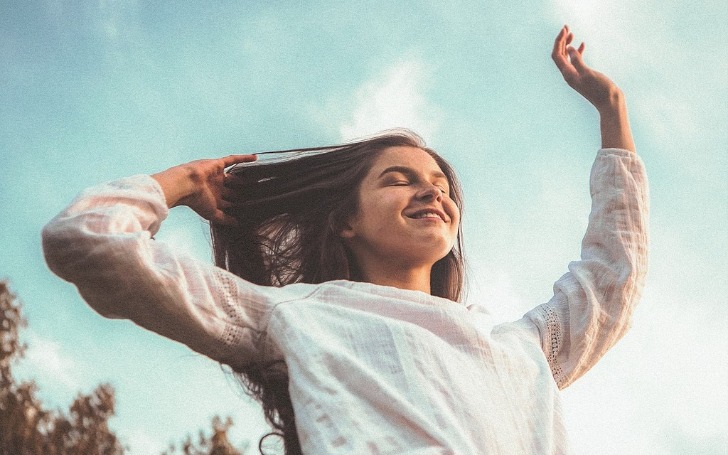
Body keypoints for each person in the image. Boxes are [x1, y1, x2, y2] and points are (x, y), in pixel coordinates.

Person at [42, 26, 648, 454]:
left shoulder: (519, 346)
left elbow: (610, 279)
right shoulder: (297, 314)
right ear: (345, 222)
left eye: (442, 186)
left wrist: (613, 111)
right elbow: (88, 239)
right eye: (399, 179)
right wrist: (182, 181)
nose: (433, 194)